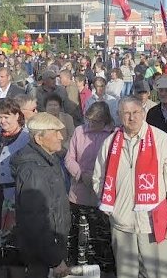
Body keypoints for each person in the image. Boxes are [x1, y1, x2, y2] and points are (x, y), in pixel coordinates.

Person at [93, 96, 167, 278]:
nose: (132, 117)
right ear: (119, 116)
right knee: (125, 274)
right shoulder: (110, 143)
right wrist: (112, 207)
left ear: (143, 113)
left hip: (152, 224)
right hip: (122, 225)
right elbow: (99, 179)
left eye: (135, 112)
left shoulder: (161, 140)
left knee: (156, 274)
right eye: (126, 113)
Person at [9, 112, 71, 278]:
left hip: (51, 245)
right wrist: (55, 259)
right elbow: (36, 220)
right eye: (55, 132)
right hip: (42, 254)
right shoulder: (33, 170)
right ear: (39, 139)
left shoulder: (49, 159)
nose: (60, 137)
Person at [64, 101, 115, 272]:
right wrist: (80, 174)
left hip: (102, 195)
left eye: (96, 122)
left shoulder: (113, 134)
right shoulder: (79, 131)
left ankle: (102, 269)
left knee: (100, 238)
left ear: (105, 120)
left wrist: (96, 178)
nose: (91, 125)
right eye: (89, 120)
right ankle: (80, 268)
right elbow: (69, 159)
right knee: (80, 237)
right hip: (79, 193)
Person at [0, 98, 30, 272]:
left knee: (13, 228)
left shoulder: (26, 136)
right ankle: (0, 258)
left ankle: (15, 263)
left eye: (6, 116)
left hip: (14, 191)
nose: (2, 121)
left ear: (17, 115)